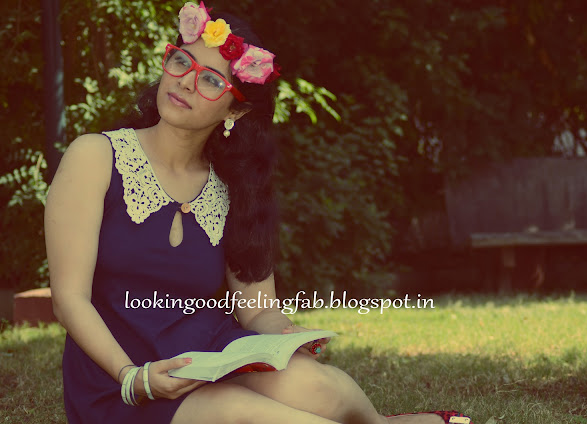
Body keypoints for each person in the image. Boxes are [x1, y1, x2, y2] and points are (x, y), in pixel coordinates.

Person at [44, 2, 473, 424]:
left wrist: (283, 335)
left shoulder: (235, 186)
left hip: (212, 357)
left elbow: (255, 308)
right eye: (181, 62)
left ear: (236, 109)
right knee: (252, 417)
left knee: (323, 388)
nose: (187, 83)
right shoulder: (96, 156)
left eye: (211, 80)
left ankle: (383, 423)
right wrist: (133, 378)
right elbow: (69, 299)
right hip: (119, 377)